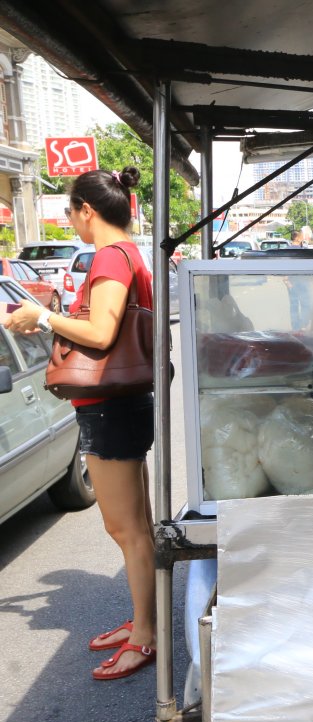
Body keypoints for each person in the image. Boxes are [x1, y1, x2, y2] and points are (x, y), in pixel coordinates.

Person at [4, 167, 157, 681]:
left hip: (110, 406)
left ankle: (144, 637)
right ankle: (143, 622)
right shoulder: (131, 254)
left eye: (71, 214)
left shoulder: (111, 258)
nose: (71, 224)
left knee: (126, 528)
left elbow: (101, 329)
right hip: (123, 402)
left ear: (87, 211)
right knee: (136, 526)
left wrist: (42, 318)